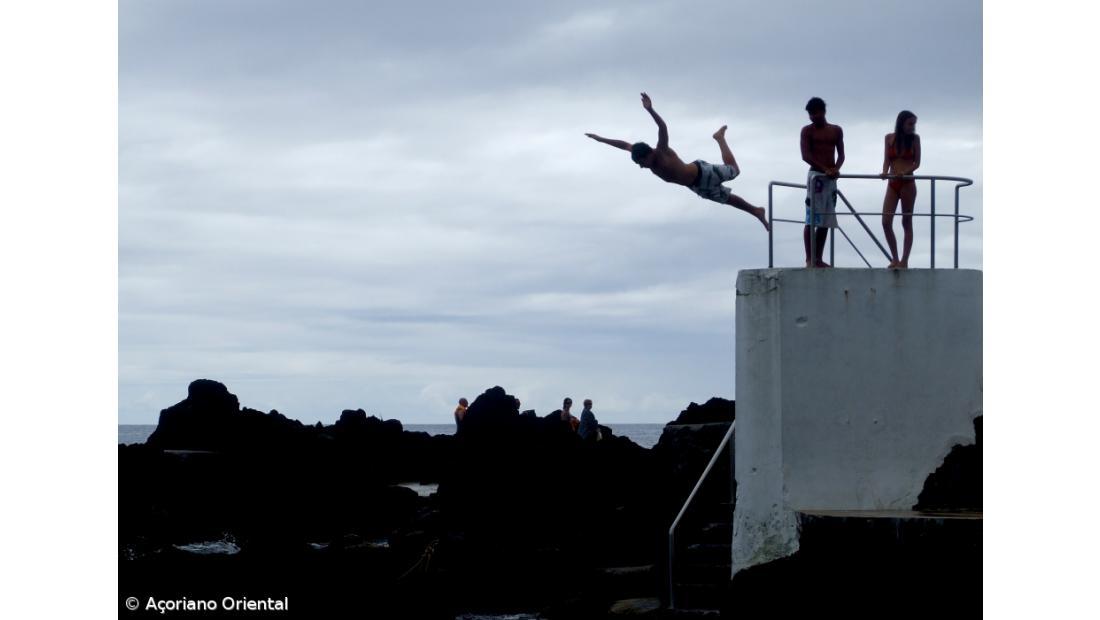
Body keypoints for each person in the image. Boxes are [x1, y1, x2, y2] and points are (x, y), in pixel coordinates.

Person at [586, 92, 770, 231]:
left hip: (701, 172)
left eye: (643, 162)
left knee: (735, 171)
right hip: (696, 186)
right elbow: (624, 145)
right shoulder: (640, 153)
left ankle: (719, 138)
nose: (643, 167)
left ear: (649, 153)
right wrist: (600, 139)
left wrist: (650, 109)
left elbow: (662, 126)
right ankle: (756, 211)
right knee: (727, 199)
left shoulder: (662, 150)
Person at [800, 97, 845, 268]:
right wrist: (824, 168)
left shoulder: (836, 130)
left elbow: (841, 154)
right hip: (816, 177)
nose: (813, 117)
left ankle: (818, 258)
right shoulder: (807, 131)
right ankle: (809, 258)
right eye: (810, 114)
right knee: (812, 218)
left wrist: (835, 168)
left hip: (830, 178)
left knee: (826, 219)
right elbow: (806, 155)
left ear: (823, 111)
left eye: (815, 113)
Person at [879, 111, 921, 269]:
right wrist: (884, 171)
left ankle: (904, 260)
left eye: (914, 124)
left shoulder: (915, 139)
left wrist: (905, 172)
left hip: (908, 183)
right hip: (892, 183)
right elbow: (887, 160)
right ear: (901, 123)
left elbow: (917, 163)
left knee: (906, 222)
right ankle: (894, 258)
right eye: (910, 124)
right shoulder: (889, 138)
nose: (912, 127)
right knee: (885, 221)